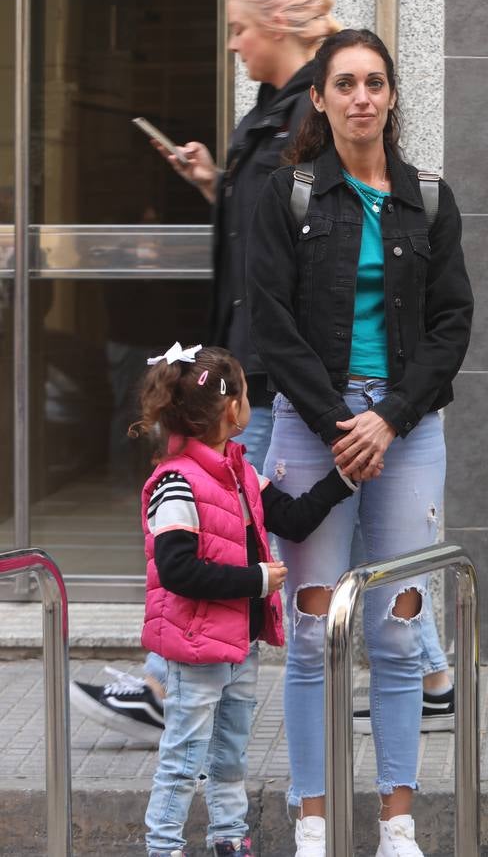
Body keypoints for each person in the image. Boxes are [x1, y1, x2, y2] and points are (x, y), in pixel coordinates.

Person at [73, 0, 455, 747]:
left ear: (275, 28)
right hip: (263, 367)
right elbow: (268, 244)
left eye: (239, 29)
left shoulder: (308, 122)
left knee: (231, 521)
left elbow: (310, 268)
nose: (233, 47)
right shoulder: (271, 117)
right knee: (245, 522)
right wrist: (216, 183)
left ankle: (166, 677)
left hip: (275, 376)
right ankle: (427, 672)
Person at [247, 28, 473, 857]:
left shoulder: (430, 198)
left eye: (375, 82)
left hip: (405, 431)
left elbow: (453, 324)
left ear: (391, 95)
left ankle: (398, 824)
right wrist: (338, 421)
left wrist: (391, 417)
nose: (361, 97)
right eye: (344, 83)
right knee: (312, 633)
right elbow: (268, 320)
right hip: (315, 430)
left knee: (399, 633)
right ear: (319, 97)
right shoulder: (289, 196)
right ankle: (313, 820)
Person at [133, 344, 355, 857]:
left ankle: (229, 841)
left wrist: (344, 479)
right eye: (249, 393)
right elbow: (177, 570)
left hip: (238, 644)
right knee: (184, 758)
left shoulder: (238, 473)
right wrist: (256, 580)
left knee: (230, 755)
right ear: (232, 408)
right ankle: (163, 848)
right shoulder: (175, 482)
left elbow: (293, 519)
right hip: (194, 649)